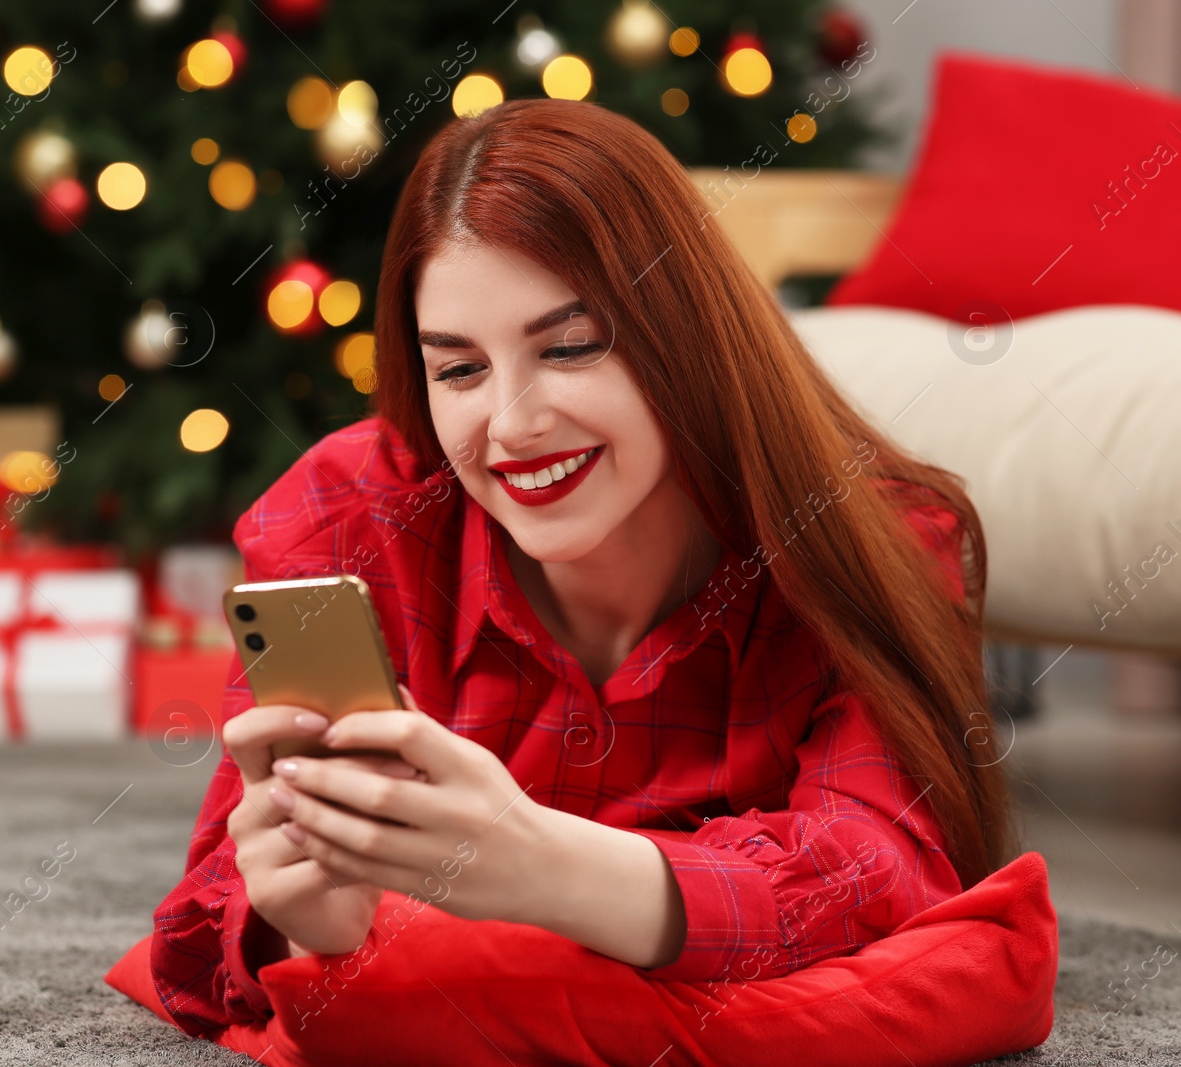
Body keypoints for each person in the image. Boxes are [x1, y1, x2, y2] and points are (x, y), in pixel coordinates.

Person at [143, 98, 1019, 1040]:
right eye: (459, 370)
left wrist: (536, 865)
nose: (514, 427)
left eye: (569, 347)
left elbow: (879, 866)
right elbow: (206, 928)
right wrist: (304, 921)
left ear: (685, 333)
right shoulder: (349, 513)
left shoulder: (879, 534)